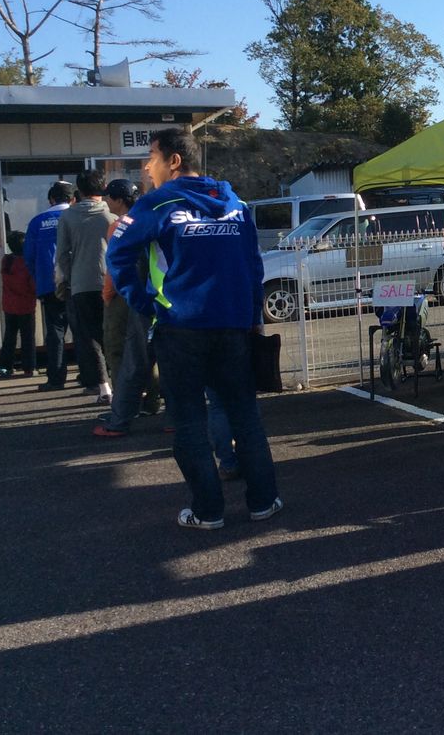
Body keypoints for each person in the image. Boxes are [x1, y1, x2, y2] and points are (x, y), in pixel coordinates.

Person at [107, 128, 280, 530]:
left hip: (180, 328)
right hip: (233, 327)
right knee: (245, 416)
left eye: (152, 157)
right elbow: (253, 264)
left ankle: (208, 512)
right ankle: (263, 502)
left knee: (188, 422)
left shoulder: (157, 203)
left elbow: (118, 254)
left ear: (174, 161)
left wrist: (144, 303)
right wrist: (252, 316)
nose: (146, 167)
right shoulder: (235, 203)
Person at [94, 179, 154, 438]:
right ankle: (155, 403)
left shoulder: (120, 226)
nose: (106, 201)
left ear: (119, 200)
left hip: (128, 297)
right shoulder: (152, 218)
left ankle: (122, 411)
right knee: (156, 353)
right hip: (159, 295)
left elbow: (115, 266)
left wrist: (108, 294)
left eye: (108, 197)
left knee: (122, 353)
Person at [56, 170, 116, 401]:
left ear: (79, 190)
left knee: (90, 337)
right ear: (103, 187)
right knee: (114, 333)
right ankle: (121, 382)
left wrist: (72, 277)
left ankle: (103, 387)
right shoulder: (112, 213)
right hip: (111, 282)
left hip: (81, 284)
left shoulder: (68, 217)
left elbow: (62, 254)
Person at [24, 181, 73, 390]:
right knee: (84, 330)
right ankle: (92, 378)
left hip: (49, 284)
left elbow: (29, 256)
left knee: (55, 332)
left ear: (51, 199)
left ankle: (56, 379)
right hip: (78, 282)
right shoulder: (76, 217)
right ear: (72, 199)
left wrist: (39, 278)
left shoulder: (37, 222)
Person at [0, 230, 37, 377]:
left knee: (9, 337)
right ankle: (29, 368)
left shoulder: (6, 261)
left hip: (9, 305)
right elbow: (31, 286)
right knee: (28, 338)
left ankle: (5, 367)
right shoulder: (26, 263)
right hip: (26, 305)